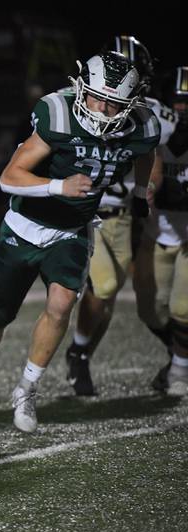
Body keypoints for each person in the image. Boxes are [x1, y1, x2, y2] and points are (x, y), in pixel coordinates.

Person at [0, 51, 160, 435]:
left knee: (61, 306)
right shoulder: (58, 114)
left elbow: (146, 152)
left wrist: (143, 190)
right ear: (81, 89)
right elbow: (9, 177)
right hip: (25, 226)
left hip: (73, 229)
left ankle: (27, 388)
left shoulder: (141, 125)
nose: (103, 109)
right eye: (96, 97)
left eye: (114, 103)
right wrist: (60, 186)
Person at [64, 36, 176, 395]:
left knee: (107, 301)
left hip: (122, 214)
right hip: (83, 210)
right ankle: (77, 353)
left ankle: (80, 357)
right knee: (104, 285)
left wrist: (148, 192)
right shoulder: (79, 103)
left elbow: (156, 163)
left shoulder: (152, 116)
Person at [134, 65, 188, 396]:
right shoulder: (154, 129)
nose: (182, 109)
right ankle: (179, 356)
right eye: (178, 101)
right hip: (156, 234)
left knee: (183, 309)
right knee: (149, 310)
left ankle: (180, 369)